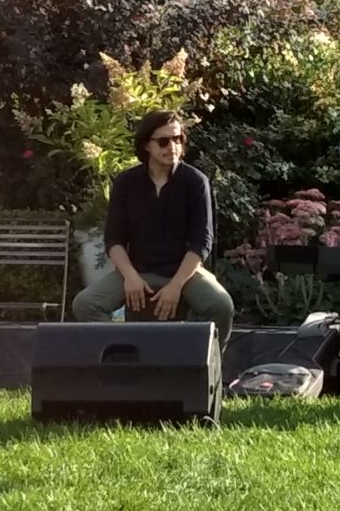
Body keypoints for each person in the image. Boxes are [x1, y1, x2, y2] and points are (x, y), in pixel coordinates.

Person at [71, 108, 236, 344]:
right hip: (138, 269)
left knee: (221, 305)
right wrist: (130, 276)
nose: (173, 147)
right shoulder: (126, 183)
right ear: (146, 145)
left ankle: (201, 368)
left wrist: (176, 286)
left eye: (178, 139)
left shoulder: (195, 182)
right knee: (85, 304)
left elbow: (201, 243)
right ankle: (128, 348)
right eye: (164, 141)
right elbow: (114, 239)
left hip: (185, 272)